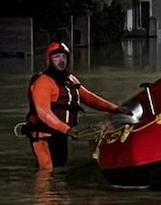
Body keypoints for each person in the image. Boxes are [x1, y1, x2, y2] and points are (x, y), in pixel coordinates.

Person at [23, 41, 126, 171]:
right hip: (43, 135)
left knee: (60, 165)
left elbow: (89, 98)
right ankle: (42, 190)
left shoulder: (70, 79)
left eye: (64, 56)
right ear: (49, 59)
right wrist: (67, 130)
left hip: (61, 133)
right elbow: (44, 113)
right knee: (46, 170)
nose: (61, 60)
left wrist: (115, 108)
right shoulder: (43, 82)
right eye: (56, 57)